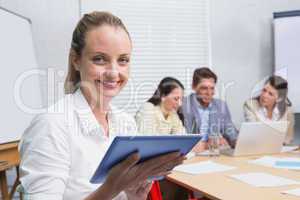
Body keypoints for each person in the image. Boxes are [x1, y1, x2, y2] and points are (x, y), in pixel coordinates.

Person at [19, 11, 185, 200]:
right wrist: (110, 189)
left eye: (123, 60)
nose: (113, 73)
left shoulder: (126, 123)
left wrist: (134, 195)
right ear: (76, 60)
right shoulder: (52, 124)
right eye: (99, 59)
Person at [181, 67, 238, 152]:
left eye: (212, 88)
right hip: (191, 154)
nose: (209, 93)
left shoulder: (220, 105)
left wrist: (236, 142)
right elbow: (181, 138)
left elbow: (231, 132)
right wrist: (207, 144)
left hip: (214, 154)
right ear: (194, 86)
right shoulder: (183, 105)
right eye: (204, 88)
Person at [243, 75, 294, 144]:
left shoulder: (287, 110)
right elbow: (254, 134)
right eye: (264, 90)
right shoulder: (250, 105)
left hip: (279, 149)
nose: (264, 95)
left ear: (279, 99)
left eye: (270, 94)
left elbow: (289, 137)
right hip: (257, 147)